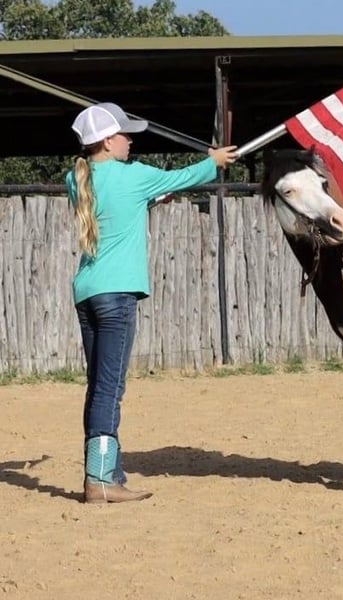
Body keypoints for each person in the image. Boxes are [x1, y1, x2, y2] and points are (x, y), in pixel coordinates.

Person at [66, 102, 237, 504]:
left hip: (88, 292)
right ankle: (100, 479)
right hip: (117, 294)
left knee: (98, 386)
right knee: (110, 389)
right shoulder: (135, 175)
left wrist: (151, 200)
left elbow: (116, 205)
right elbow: (184, 176)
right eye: (125, 135)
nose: (130, 141)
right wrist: (213, 161)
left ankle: (106, 472)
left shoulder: (76, 178)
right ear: (108, 141)